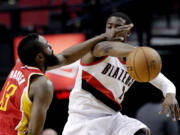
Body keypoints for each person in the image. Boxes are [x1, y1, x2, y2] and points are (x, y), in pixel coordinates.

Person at [62, 12, 180, 135]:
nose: (112, 30)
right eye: (109, 26)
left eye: (117, 27)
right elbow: (107, 48)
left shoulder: (137, 60)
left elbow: (164, 82)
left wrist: (170, 94)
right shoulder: (97, 48)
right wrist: (140, 51)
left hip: (112, 117)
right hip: (84, 119)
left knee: (139, 132)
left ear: (127, 32)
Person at [0, 32, 119, 135]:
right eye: (47, 46)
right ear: (39, 57)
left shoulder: (22, 63)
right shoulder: (42, 85)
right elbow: (33, 133)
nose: (51, 46)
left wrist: (101, 37)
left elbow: (66, 57)